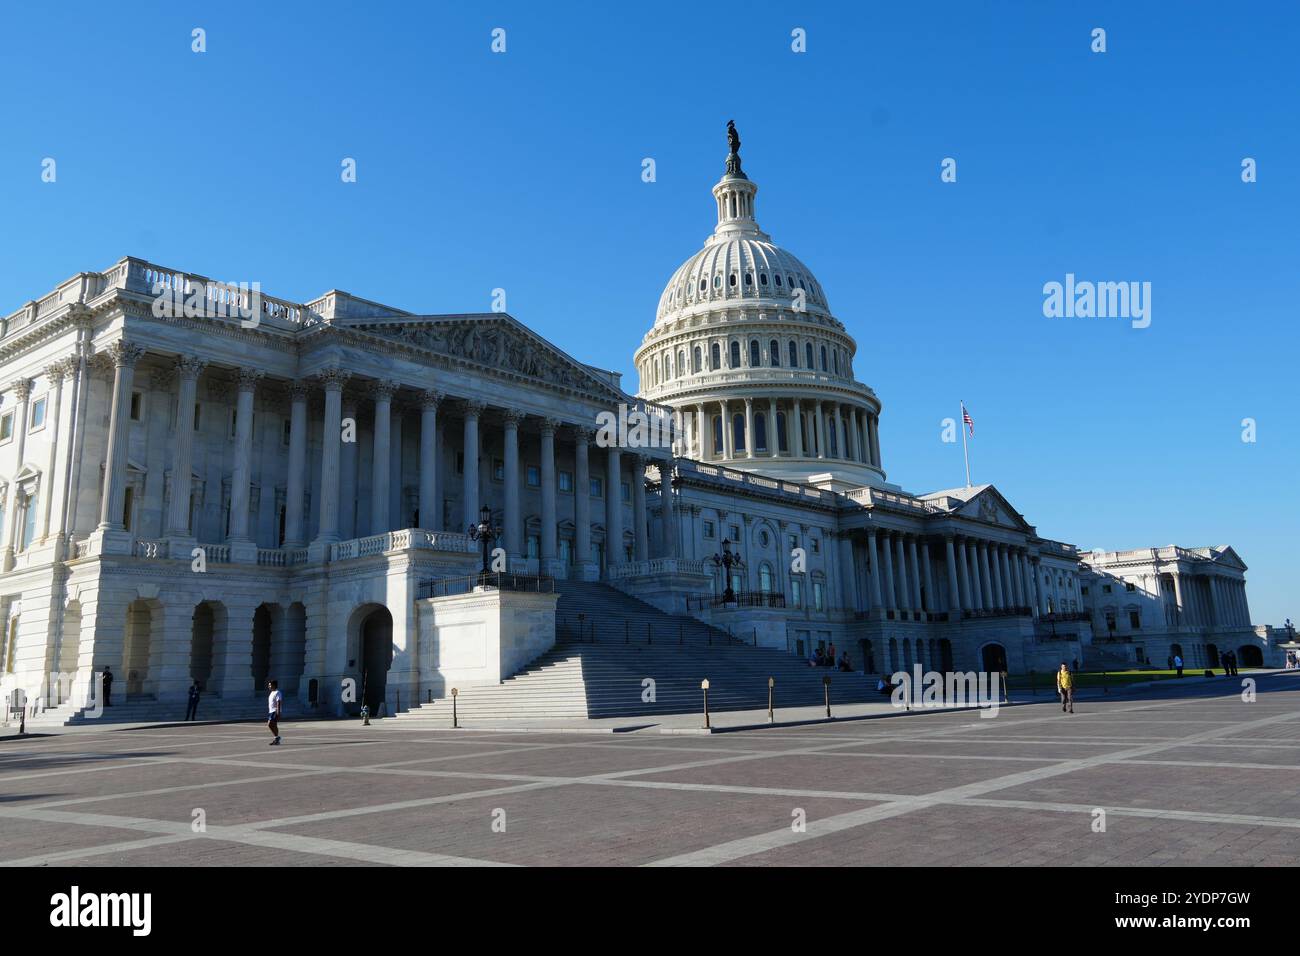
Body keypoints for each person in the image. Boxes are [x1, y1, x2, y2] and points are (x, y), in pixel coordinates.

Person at [267, 679, 283, 746]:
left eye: (270, 685)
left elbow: (278, 702)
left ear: (273, 685)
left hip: (275, 711)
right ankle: (277, 739)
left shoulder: (277, 692)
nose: (269, 686)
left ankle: (277, 738)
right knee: (274, 725)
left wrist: (278, 712)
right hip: (271, 711)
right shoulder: (272, 692)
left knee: (270, 724)